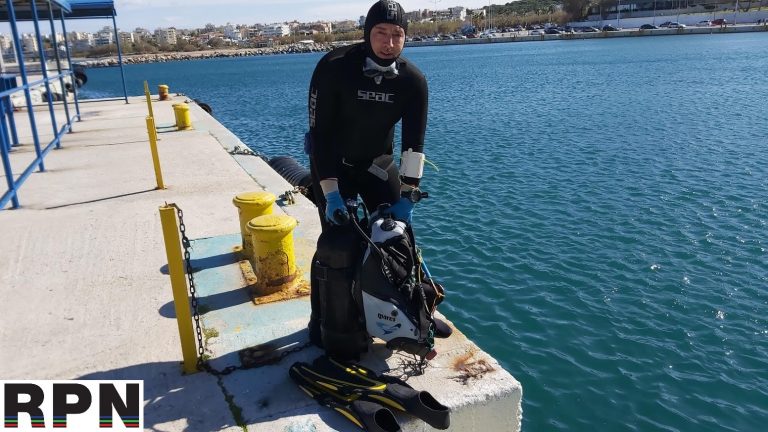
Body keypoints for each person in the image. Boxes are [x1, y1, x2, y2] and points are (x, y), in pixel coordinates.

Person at [304, 0, 430, 357]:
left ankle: (409, 311)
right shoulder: (333, 68)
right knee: (337, 243)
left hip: (378, 165)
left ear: (405, 37)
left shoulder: (412, 81)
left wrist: (408, 194)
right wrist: (330, 194)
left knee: (398, 240)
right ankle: (324, 320)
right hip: (333, 166)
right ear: (366, 33)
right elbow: (320, 137)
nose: (388, 43)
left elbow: (414, 144)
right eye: (380, 33)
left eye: (397, 34)